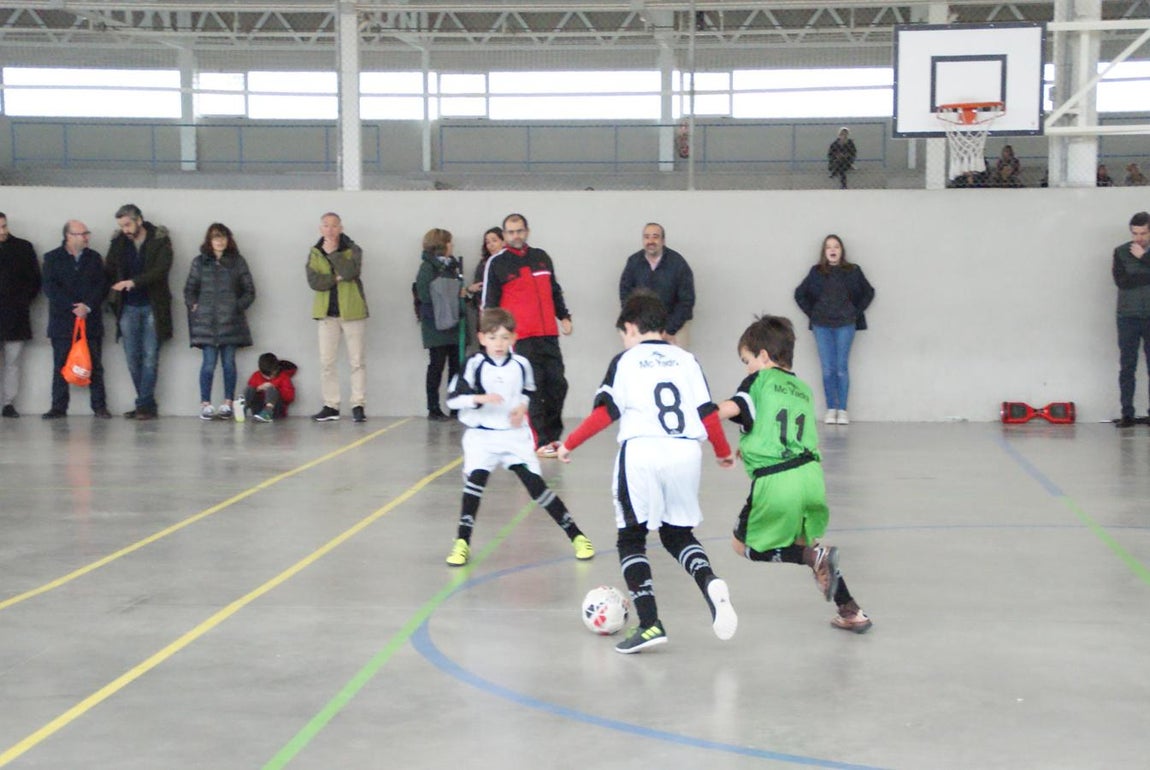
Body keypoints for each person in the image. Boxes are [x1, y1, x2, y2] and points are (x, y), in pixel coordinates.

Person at [557, 292, 737, 654]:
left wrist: (569, 443)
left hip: (642, 451)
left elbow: (606, 413)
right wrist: (721, 452)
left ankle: (651, 622)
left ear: (633, 327)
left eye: (623, 333)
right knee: (676, 533)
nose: (623, 340)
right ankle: (709, 581)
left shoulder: (625, 361)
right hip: (686, 452)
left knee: (631, 538)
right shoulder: (687, 359)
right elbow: (707, 413)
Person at [716, 314, 872, 634]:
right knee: (809, 542)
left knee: (744, 545)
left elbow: (729, 409)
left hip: (777, 481)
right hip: (811, 478)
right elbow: (782, 430)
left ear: (763, 356)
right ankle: (851, 609)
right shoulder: (802, 389)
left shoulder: (759, 381)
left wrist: (699, 411)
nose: (746, 368)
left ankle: (809, 557)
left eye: (746, 361)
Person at [442, 307, 594, 567]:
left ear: (514, 338)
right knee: (474, 486)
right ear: (481, 338)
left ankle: (577, 536)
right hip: (482, 436)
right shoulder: (474, 364)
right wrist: (480, 398)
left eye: (504, 337)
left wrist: (521, 408)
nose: (498, 343)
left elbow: (527, 392)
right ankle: (461, 542)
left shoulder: (521, 364)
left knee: (537, 487)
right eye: (492, 338)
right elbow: (453, 400)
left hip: (514, 436)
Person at [482, 213, 572, 455]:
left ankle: (553, 437)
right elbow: (489, 305)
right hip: (521, 338)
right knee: (534, 389)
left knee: (558, 385)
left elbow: (554, 290)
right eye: (511, 232)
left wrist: (564, 316)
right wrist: (494, 339)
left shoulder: (541, 258)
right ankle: (539, 440)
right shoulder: (498, 264)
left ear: (527, 231)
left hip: (548, 335)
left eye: (520, 231)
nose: (516, 236)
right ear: (504, 236)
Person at [793, 234, 875, 426]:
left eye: (836, 246)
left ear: (841, 250)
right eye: (829, 247)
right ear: (824, 251)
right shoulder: (816, 272)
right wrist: (812, 314)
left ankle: (842, 410)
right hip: (822, 325)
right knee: (828, 369)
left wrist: (854, 312)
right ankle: (831, 409)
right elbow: (800, 294)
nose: (832, 250)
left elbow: (868, 292)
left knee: (841, 368)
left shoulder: (853, 271)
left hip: (846, 324)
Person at [104, 203, 173, 421]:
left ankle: (143, 405)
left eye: (127, 224)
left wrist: (133, 282)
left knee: (151, 356)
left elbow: (161, 270)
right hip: (127, 307)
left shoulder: (160, 239)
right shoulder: (118, 243)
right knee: (132, 357)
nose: (124, 229)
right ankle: (146, 404)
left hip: (153, 305)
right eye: (121, 225)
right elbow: (109, 268)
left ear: (139, 220)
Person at [183, 223, 256, 421]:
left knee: (229, 364)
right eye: (215, 237)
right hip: (205, 323)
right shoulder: (199, 262)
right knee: (208, 364)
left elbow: (250, 290)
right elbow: (189, 289)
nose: (219, 241)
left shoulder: (237, 262)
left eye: (223, 237)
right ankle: (205, 404)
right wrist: (193, 305)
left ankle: (227, 403)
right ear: (209, 240)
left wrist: (236, 306)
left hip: (231, 322)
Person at [41, 220, 110, 419]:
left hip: (90, 321)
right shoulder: (52, 258)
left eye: (87, 233)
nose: (86, 237)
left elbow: (101, 285)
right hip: (63, 322)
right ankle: (58, 407)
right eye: (82, 234)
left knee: (95, 364)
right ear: (69, 236)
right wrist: (73, 307)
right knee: (60, 365)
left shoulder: (95, 258)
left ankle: (99, 406)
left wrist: (86, 306)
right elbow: (50, 288)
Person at [306, 212, 369, 423]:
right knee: (327, 362)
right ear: (320, 229)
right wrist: (336, 278)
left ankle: (358, 404)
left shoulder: (353, 249)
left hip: (352, 312)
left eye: (334, 226)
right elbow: (315, 282)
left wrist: (334, 255)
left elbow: (351, 272)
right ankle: (331, 405)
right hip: (326, 314)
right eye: (326, 226)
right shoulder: (314, 252)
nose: (330, 230)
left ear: (341, 228)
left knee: (357, 361)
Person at [618, 222, 695, 347]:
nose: (651, 241)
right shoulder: (633, 262)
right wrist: (637, 325)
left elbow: (687, 301)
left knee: (675, 365)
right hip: (641, 329)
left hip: (674, 330)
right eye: (647, 237)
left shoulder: (678, 264)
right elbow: (625, 295)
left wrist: (669, 329)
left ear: (663, 240)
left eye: (655, 236)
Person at [415, 228, 465, 421]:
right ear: (442, 244)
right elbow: (425, 294)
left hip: (453, 322)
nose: (452, 246)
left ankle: (455, 406)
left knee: (456, 366)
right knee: (436, 365)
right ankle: (433, 408)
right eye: (450, 242)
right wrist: (453, 292)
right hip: (435, 324)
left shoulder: (452, 266)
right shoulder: (427, 267)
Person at [0, 213, 41, 417]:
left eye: (4, 226)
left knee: (12, 362)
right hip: (15, 312)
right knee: (12, 362)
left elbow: (34, 280)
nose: (3, 231)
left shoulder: (23, 248)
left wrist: (22, 301)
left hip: (15, 314)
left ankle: (8, 403)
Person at [1111, 211, 1150, 428]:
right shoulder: (1120, 252)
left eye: (1143, 233)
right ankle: (1127, 413)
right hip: (1128, 317)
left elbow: (1133, 278)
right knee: (1127, 366)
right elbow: (1122, 281)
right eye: (1135, 233)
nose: (1139, 238)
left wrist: (1143, 259)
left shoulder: (1140, 253)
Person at [463, 226, 503, 357]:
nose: (491, 245)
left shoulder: (509, 263)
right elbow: (479, 288)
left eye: (494, 240)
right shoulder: (483, 264)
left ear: (503, 241)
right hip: (486, 313)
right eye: (488, 242)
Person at [243, 352, 298, 423]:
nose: (269, 377)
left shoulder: (283, 377)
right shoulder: (256, 375)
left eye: (272, 374)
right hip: (258, 410)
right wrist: (258, 389)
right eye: (265, 376)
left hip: (276, 410)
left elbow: (290, 398)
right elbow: (250, 391)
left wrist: (274, 388)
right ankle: (243, 408)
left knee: (271, 389)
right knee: (251, 388)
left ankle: (267, 412)